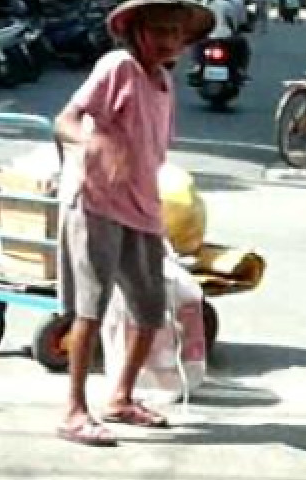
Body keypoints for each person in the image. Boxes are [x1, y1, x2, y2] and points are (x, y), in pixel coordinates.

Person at [52, 0, 214, 447]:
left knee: (150, 311)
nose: (168, 40)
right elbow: (65, 120)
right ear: (137, 32)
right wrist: (92, 145)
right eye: (159, 30)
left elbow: (152, 149)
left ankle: (120, 397)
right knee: (90, 309)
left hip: (142, 208)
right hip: (96, 203)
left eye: (176, 32)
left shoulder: (163, 81)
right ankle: (73, 411)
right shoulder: (118, 67)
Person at [189, 0, 250, 81]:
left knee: (196, 43)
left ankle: (198, 66)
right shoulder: (237, 2)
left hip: (208, 37)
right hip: (227, 37)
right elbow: (243, 22)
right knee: (242, 44)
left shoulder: (203, 3)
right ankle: (240, 69)